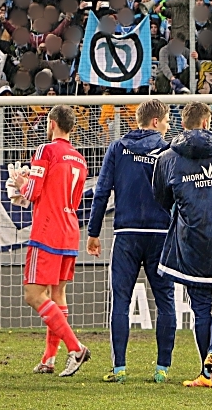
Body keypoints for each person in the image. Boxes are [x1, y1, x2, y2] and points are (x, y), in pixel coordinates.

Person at [152, 102, 212, 388]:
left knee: (201, 307)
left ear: (183, 124)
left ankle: (206, 372)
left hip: (191, 240)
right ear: (207, 123)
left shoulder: (168, 157)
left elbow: (162, 197)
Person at [87, 99, 175, 384]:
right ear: (154, 122)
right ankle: (162, 369)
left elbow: (102, 192)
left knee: (121, 301)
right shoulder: (168, 150)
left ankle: (119, 368)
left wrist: (93, 231)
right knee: (166, 302)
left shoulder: (118, 148)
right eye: (166, 120)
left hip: (125, 235)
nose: (169, 125)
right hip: (160, 235)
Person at [9, 105, 91, 377]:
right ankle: (49, 359)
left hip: (47, 230)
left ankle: (75, 348)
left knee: (34, 295)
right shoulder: (80, 159)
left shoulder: (46, 150)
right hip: (70, 229)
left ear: (52, 123)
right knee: (58, 294)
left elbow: (33, 192)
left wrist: (22, 182)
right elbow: (74, 200)